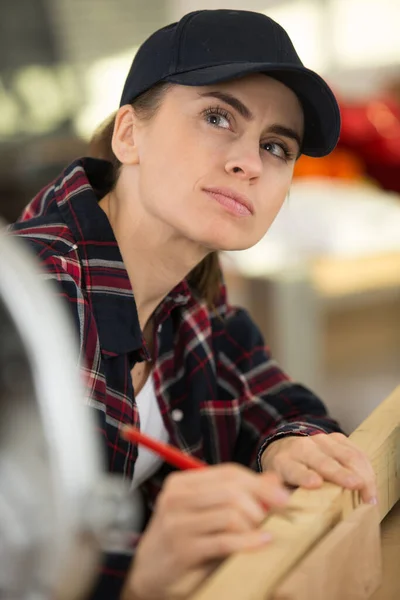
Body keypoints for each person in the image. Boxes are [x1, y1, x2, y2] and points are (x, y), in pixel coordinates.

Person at [9, 9, 377, 600]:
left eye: (276, 146)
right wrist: (129, 576)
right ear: (129, 134)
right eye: (216, 116)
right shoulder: (26, 304)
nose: (250, 164)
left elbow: (270, 400)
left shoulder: (193, 291)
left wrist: (287, 443)